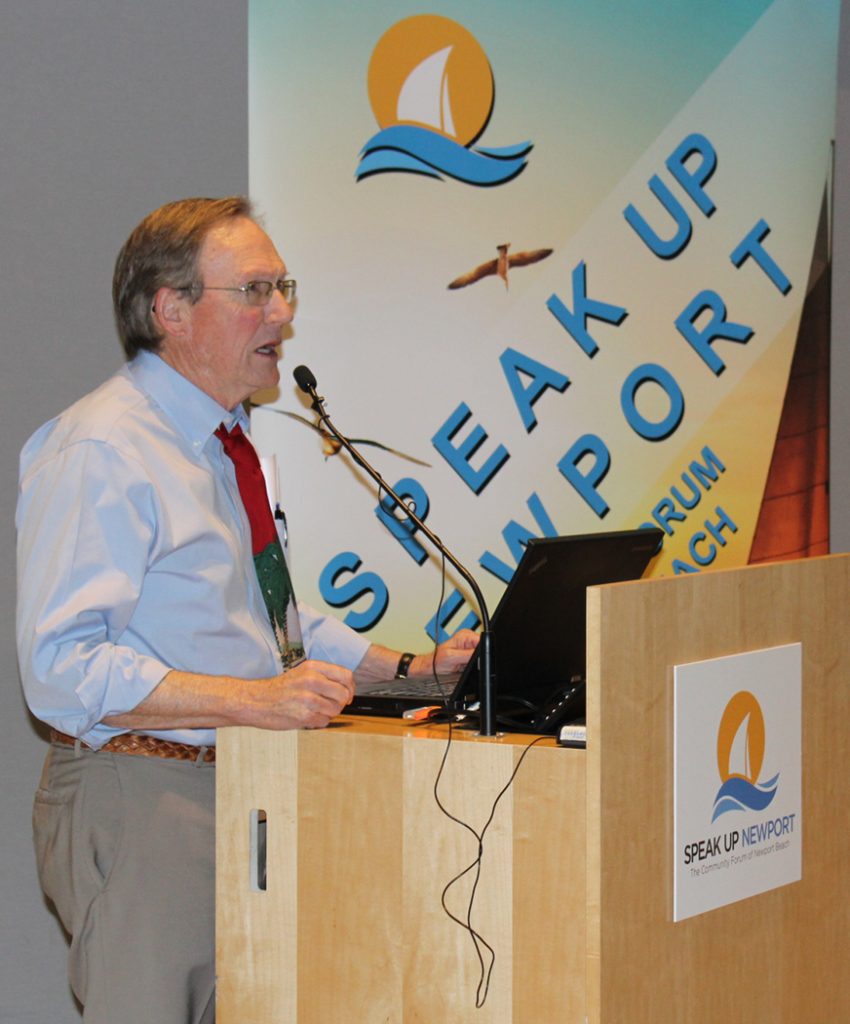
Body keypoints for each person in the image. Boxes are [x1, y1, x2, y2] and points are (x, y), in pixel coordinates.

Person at [16, 196, 478, 1024]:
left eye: (284, 286)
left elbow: (274, 627)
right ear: (171, 310)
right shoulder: (103, 448)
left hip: (245, 789)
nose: (284, 313)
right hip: (143, 798)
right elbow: (61, 670)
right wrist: (250, 701)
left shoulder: (228, 442)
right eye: (256, 290)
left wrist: (409, 672)